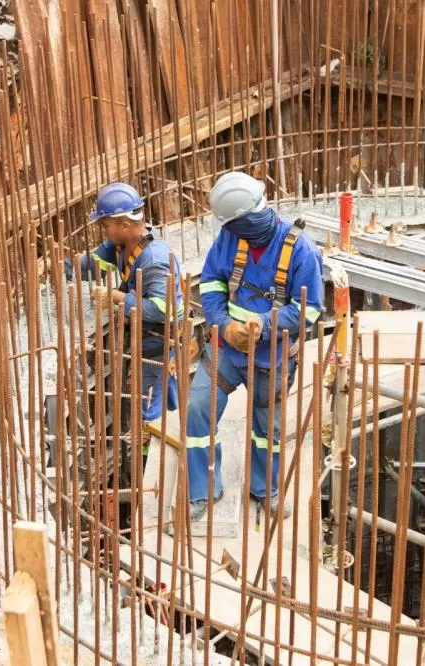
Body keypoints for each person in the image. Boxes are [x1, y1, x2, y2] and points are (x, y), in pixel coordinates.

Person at [185, 171, 324, 522]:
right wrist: (223, 325)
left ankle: (265, 489)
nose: (229, 231)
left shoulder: (301, 251)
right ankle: (203, 488)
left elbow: (310, 310)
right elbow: (212, 282)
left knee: (268, 431)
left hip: (271, 359)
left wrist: (262, 327)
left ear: (245, 219)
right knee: (199, 406)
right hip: (226, 350)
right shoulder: (230, 238)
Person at [67, 182, 184, 441]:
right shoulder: (121, 246)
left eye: (104, 224)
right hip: (144, 336)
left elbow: (164, 310)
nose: (101, 229)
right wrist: (64, 267)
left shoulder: (154, 259)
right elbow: (93, 262)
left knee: (148, 406)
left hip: (157, 342)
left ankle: (153, 461)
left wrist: (118, 297)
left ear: (124, 225)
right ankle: (175, 430)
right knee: (165, 394)